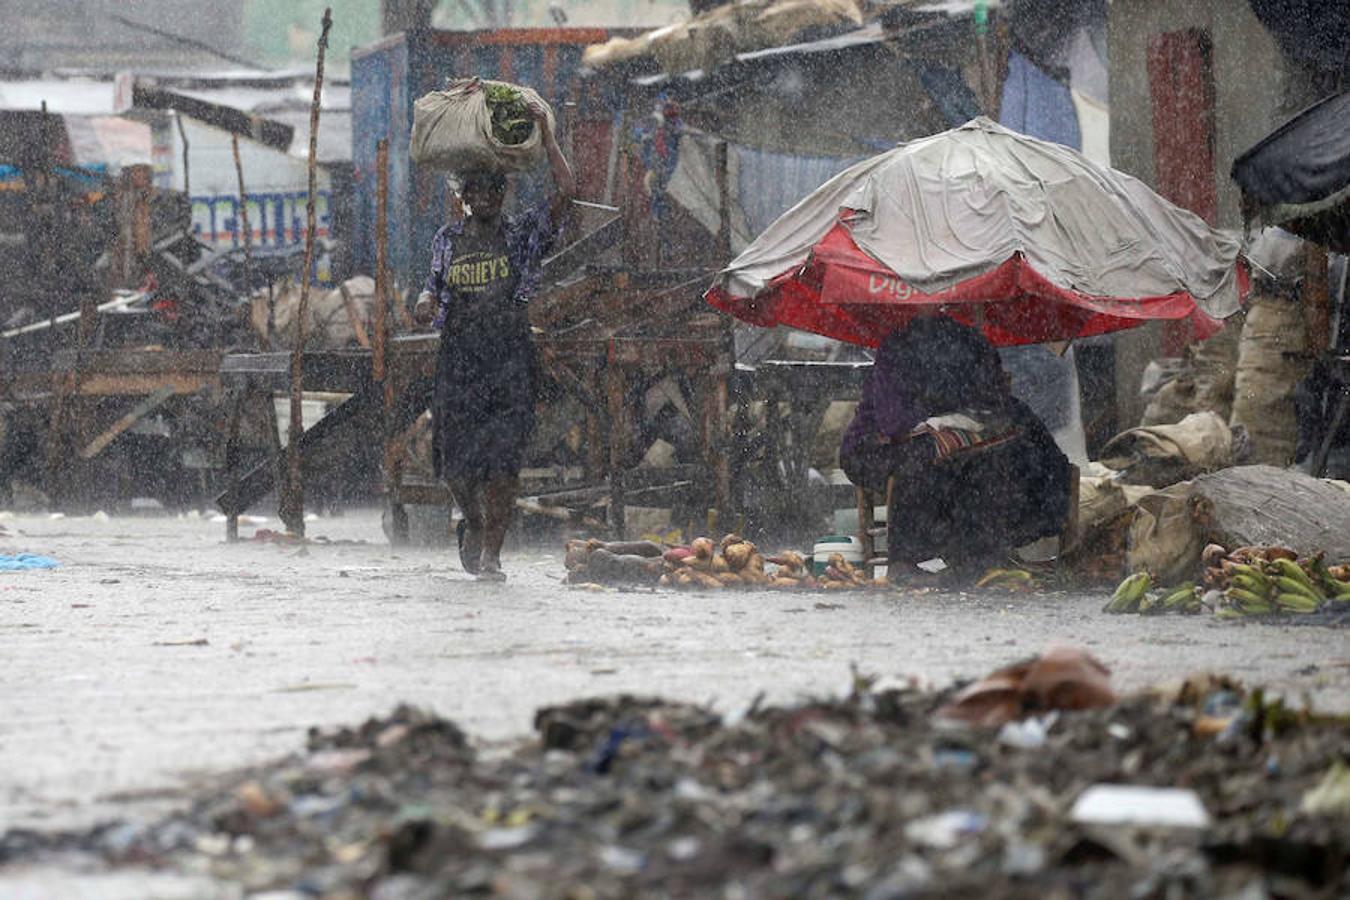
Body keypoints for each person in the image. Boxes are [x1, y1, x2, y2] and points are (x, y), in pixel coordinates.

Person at [413, 94, 575, 581]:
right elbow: (433, 286)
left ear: (503, 194)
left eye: (493, 189)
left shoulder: (522, 234)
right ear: (464, 195)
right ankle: (475, 519)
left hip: (509, 357)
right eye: (476, 189)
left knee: (504, 463)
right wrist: (424, 304)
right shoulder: (447, 240)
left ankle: (493, 554)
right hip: (460, 359)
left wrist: (546, 137)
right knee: (458, 466)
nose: (485, 196)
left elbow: (566, 191)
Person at [840, 316, 1071, 577]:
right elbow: (893, 422)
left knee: (987, 460)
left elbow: (994, 400)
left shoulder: (974, 343)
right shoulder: (899, 346)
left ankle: (980, 551)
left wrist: (967, 412)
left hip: (955, 444)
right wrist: (937, 414)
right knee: (927, 461)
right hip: (873, 448)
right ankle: (908, 559)